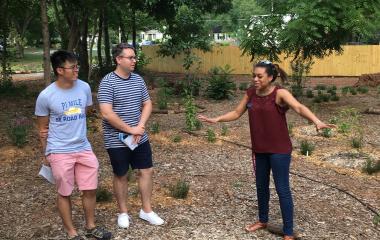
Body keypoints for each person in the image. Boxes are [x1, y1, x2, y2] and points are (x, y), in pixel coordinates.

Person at [198, 60, 334, 240]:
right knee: (261, 187)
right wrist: (217, 119)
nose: (255, 79)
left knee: (282, 189)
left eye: (259, 76)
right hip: (259, 149)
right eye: (253, 75)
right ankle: (262, 220)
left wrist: (316, 121)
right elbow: (237, 112)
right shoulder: (251, 94)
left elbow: (299, 107)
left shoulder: (280, 93)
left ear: (270, 77)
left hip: (279, 150)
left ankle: (288, 232)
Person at [35, 50, 112, 240]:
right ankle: (71, 232)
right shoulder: (46, 96)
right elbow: (42, 128)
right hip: (59, 150)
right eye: (73, 67)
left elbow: (85, 110)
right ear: (60, 70)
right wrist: (46, 153)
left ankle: (90, 226)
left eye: (77, 66)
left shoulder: (84, 87)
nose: (77, 70)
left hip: (83, 147)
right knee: (65, 191)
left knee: (90, 188)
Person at [97, 43, 164, 229]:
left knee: (146, 171)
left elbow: (147, 104)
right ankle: (123, 212)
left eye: (135, 57)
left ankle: (147, 210)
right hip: (116, 138)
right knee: (121, 174)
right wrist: (130, 129)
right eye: (130, 57)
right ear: (119, 59)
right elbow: (107, 113)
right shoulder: (107, 82)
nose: (134, 60)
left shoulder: (137, 80)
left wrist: (140, 127)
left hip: (139, 137)